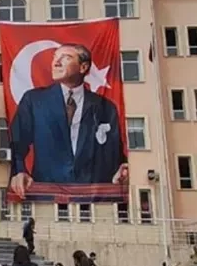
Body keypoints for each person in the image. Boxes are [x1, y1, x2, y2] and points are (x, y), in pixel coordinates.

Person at [7, 44, 127, 199]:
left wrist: (122, 169)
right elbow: (17, 143)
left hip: (91, 199)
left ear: (83, 67)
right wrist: (19, 171)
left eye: (65, 58)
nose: (56, 63)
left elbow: (115, 152)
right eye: (54, 58)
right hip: (47, 196)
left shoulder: (105, 107)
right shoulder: (34, 101)